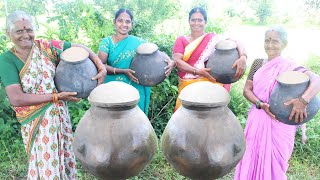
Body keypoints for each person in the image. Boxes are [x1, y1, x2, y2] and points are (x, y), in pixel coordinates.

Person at [0, 10, 106, 179]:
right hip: (36, 121)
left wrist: (100, 66)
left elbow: (80, 48)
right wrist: (57, 97)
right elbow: (16, 98)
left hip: (59, 115)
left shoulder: (45, 47)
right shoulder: (6, 60)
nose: (25, 35)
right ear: (8, 33)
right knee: (45, 162)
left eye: (29, 30)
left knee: (64, 156)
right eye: (19, 31)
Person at [234, 25, 320, 180]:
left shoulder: (291, 67)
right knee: (251, 156)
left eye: (275, 41)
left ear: (284, 44)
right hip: (258, 118)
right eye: (267, 40)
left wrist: (302, 101)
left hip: (281, 124)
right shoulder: (258, 63)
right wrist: (260, 104)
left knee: (276, 165)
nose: (270, 44)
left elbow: (316, 80)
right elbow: (247, 90)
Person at [98, 8, 175, 115]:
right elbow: (100, 65)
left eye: (128, 21)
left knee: (134, 123)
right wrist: (123, 71)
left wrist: (171, 61)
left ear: (131, 24)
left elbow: (157, 53)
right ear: (114, 22)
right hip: (113, 90)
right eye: (120, 20)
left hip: (136, 89)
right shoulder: (107, 42)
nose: (124, 24)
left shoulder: (139, 42)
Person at [172, 7, 247, 111]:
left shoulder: (213, 39)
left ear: (205, 22)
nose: (196, 23)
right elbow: (177, 62)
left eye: (200, 20)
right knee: (185, 118)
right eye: (193, 20)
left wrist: (243, 56)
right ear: (189, 21)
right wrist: (197, 71)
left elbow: (236, 42)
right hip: (187, 86)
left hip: (210, 85)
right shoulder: (181, 40)